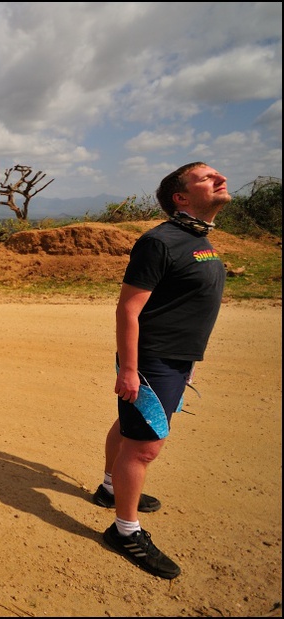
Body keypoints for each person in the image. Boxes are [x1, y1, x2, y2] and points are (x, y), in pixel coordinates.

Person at [97, 162, 230, 579]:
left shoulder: (196, 237)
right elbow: (128, 309)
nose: (219, 179)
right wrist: (131, 370)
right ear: (181, 197)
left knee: (130, 425)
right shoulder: (160, 241)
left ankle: (109, 489)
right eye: (207, 177)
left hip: (175, 358)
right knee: (145, 445)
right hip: (153, 360)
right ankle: (125, 530)